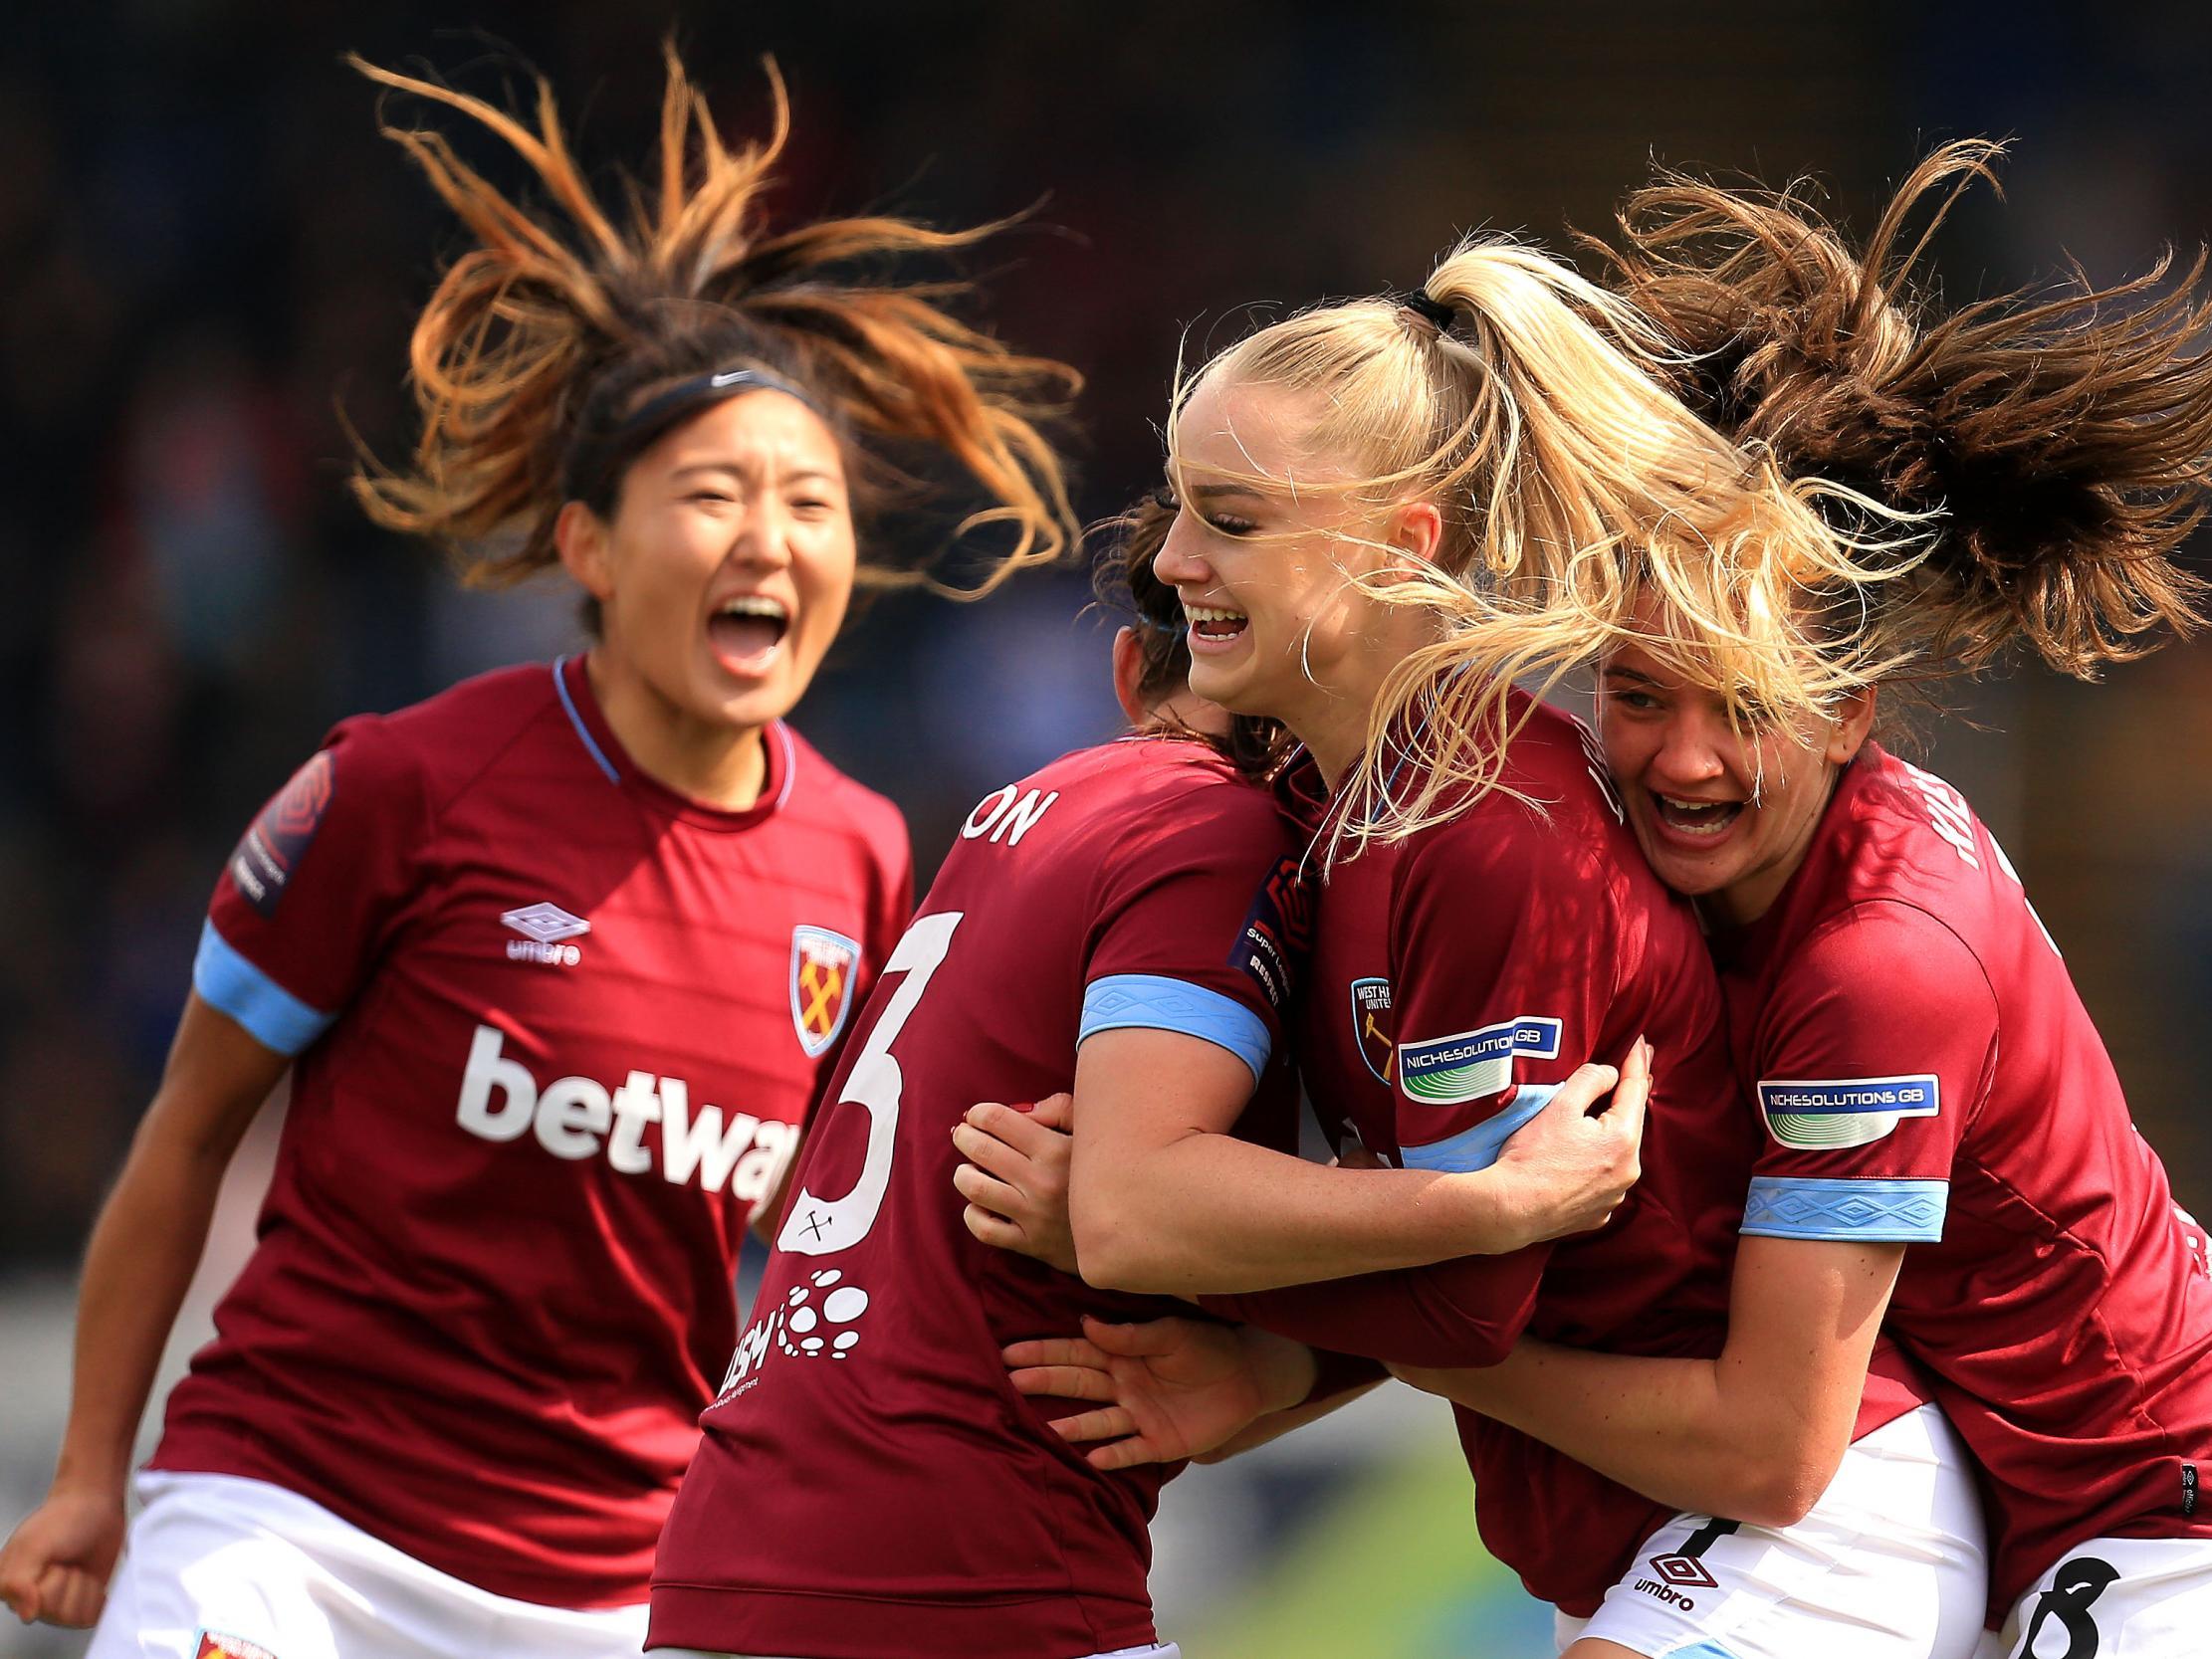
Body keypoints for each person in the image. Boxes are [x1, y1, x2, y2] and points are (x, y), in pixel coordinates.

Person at [1005, 145, 2212, 1659]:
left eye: (1744, 704)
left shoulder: (1870, 960)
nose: (1683, 756)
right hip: (1912, 1490)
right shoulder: (1561, 834)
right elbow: (1506, 1272)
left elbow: (1750, 1430)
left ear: (1852, 710)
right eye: (1638, 691)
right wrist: (1308, 1348)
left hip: (2126, 1510)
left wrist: (1222, 1265)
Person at [0, 48, 1077, 1659]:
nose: (769, 538)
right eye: (711, 492)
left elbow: (828, 1237)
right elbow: (183, 1136)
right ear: (586, 542)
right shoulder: (403, 786)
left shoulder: (857, 853)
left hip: (613, 1593)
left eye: (811, 502)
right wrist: (93, 1475)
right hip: (289, 1530)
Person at [644, 491, 1649, 1659]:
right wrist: (1495, 1205)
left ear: (1127, 673)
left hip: (742, 1547)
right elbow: (1134, 1214)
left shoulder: (1030, 811)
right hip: (956, 1568)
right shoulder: (1217, 822)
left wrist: (1275, 1367)